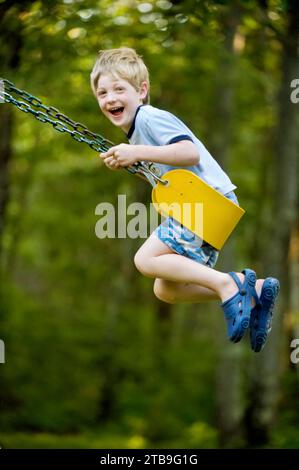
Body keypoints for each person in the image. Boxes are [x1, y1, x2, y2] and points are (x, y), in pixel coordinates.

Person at [90, 47, 279, 352]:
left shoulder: (149, 117)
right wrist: (131, 160)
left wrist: (136, 152)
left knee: (145, 259)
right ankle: (254, 289)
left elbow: (188, 152)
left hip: (207, 200)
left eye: (118, 89)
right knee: (166, 289)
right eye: (102, 93)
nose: (110, 98)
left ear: (141, 91)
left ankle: (228, 286)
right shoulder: (137, 134)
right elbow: (168, 174)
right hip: (209, 206)